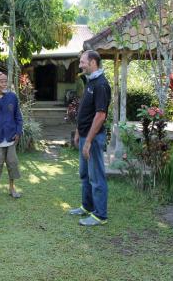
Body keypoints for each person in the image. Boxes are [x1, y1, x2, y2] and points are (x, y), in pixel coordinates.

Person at [69, 50, 111, 226]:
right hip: (85, 135)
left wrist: (88, 141)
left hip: (93, 138)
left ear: (93, 62)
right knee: (85, 174)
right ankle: (87, 206)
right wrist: (79, 132)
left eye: (82, 62)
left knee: (96, 176)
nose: (80, 65)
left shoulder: (101, 84)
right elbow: (85, 111)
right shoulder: (90, 82)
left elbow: (100, 115)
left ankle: (100, 215)